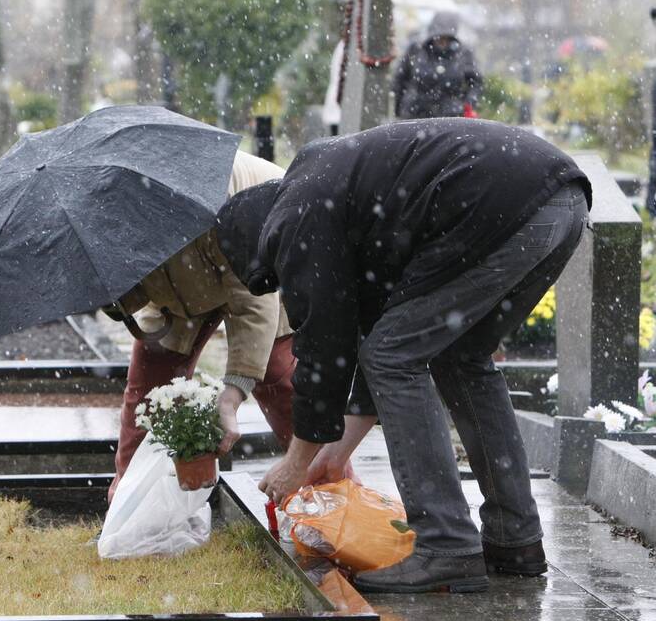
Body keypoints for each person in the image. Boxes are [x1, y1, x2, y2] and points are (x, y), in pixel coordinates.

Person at [215, 119, 591, 593]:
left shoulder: (297, 216)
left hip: (501, 202)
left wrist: (296, 462)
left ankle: (445, 544)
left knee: (397, 356)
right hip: (558, 200)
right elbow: (377, 333)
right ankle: (514, 538)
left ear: (263, 241)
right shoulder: (338, 201)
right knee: (461, 356)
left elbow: (325, 349)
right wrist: (335, 453)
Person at [107, 151, 326, 501]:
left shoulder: (216, 201)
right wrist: (111, 295)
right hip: (185, 285)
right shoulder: (119, 213)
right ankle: (129, 505)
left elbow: (254, 302)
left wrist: (233, 393)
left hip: (259, 264)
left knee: (281, 380)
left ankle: (330, 494)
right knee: (147, 390)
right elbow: (142, 285)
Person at [392, 12, 482, 120]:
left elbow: (476, 82)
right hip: (415, 113)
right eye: (439, 38)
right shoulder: (416, 50)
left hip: (450, 116)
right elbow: (400, 79)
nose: (442, 42)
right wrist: (398, 108)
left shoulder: (463, 54)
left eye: (447, 39)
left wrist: (468, 105)